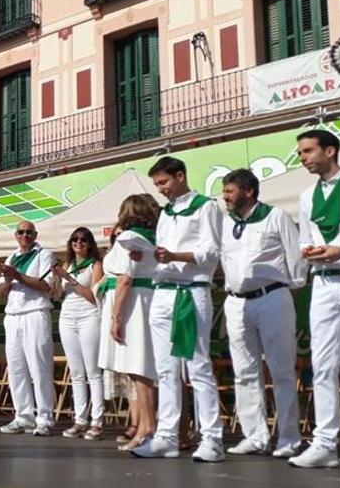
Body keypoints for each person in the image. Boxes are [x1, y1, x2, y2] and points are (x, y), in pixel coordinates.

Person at [131, 157, 225, 462]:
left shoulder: (205, 206)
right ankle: (167, 436)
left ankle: (212, 438)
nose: (161, 190)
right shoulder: (166, 213)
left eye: (164, 183)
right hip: (162, 292)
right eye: (157, 184)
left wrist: (174, 254)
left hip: (190, 292)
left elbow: (211, 254)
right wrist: (146, 255)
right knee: (165, 369)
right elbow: (161, 256)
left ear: (180, 176)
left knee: (198, 366)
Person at [219, 168, 307, 459]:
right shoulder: (225, 223)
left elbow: (295, 255)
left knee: (281, 369)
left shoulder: (276, 216)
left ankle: (289, 438)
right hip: (235, 302)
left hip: (271, 297)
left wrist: (289, 285)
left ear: (249, 191)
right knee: (244, 371)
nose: (225, 197)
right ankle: (255, 436)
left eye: (230, 191)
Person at [289, 130, 340, 469]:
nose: (303, 157)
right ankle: (325, 442)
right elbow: (304, 238)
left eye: (308, 151)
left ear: (330, 150)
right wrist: (308, 252)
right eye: (301, 152)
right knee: (323, 364)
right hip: (323, 283)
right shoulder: (307, 196)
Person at [97, 195, 159, 452]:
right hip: (148, 299)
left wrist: (115, 317)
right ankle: (146, 426)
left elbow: (125, 279)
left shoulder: (129, 238)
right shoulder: (155, 235)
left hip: (135, 303)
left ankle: (147, 427)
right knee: (142, 369)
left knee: (138, 369)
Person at [0, 221, 56, 436]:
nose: (25, 235)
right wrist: (7, 279)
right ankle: (23, 416)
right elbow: (2, 292)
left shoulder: (44, 255)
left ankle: (45, 418)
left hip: (35, 313)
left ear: (35, 234)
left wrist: (17, 276)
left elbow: (46, 286)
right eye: (21, 232)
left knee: (39, 368)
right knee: (16, 369)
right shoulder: (10, 258)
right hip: (12, 316)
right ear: (15, 235)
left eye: (29, 232)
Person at [51, 227, 104, 440]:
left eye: (83, 240)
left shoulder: (95, 265)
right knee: (76, 371)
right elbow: (56, 295)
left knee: (93, 371)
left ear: (90, 243)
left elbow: (94, 297)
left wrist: (70, 279)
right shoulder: (68, 265)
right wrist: (56, 280)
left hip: (89, 317)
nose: (78, 243)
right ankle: (80, 419)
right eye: (74, 239)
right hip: (67, 318)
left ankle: (97, 421)